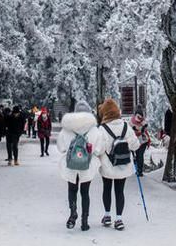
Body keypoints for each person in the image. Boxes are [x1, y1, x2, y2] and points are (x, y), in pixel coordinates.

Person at [94, 98, 141, 231]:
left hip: (107, 166)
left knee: (107, 189)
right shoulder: (126, 127)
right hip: (123, 165)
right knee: (120, 191)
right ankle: (119, 219)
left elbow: (99, 149)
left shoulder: (102, 129)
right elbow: (136, 145)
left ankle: (107, 215)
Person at [58, 100, 101, 231]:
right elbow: (98, 150)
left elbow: (61, 148)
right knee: (85, 192)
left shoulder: (66, 128)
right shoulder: (94, 130)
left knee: (72, 190)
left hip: (70, 166)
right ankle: (84, 221)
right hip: (87, 166)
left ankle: (73, 213)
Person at [130, 107, 151, 176]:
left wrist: (142, 129)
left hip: (142, 141)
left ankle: (139, 170)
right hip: (137, 140)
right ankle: (138, 170)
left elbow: (146, 128)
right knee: (137, 156)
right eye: (139, 116)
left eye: (141, 116)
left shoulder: (142, 121)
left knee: (139, 155)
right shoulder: (132, 122)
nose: (140, 118)